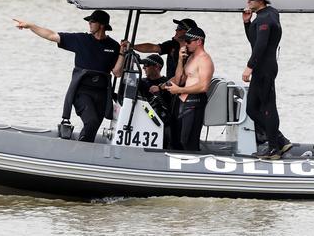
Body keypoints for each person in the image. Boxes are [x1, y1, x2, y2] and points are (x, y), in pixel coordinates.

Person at [13, 10, 128, 142]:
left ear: (102, 25)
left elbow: (117, 73)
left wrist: (122, 53)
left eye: (92, 21)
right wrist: (31, 26)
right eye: (89, 21)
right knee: (91, 121)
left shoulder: (113, 46)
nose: (89, 24)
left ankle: (84, 154)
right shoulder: (81, 39)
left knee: (93, 127)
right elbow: (51, 35)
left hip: (102, 94)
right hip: (82, 92)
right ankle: (81, 153)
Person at [241, 0, 292, 160]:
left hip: (265, 68)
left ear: (261, 1)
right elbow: (254, 41)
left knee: (268, 107)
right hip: (263, 67)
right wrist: (247, 23)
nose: (248, 2)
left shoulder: (265, 19)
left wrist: (250, 66)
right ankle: (279, 140)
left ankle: (274, 149)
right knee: (251, 108)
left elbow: (261, 46)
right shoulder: (265, 15)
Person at [164, 27, 214, 151]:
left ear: (199, 41)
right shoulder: (190, 58)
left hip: (194, 102)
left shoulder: (205, 60)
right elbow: (179, 79)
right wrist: (181, 60)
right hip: (181, 101)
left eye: (188, 41)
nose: (185, 44)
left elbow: (203, 86)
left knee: (188, 142)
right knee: (175, 140)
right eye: (185, 41)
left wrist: (179, 90)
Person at [132, 18, 198, 79]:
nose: (176, 30)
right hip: (171, 86)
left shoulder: (195, 52)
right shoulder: (171, 44)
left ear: (188, 32)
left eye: (180, 28)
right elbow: (153, 47)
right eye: (177, 28)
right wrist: (132, 46)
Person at [138, 54, 173, 147]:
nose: (143, 68)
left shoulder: (167, 84)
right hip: (141, 120)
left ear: (157, 67)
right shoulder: (140, 82)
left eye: (146, 65)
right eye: (143, 65)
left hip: (159, 123)